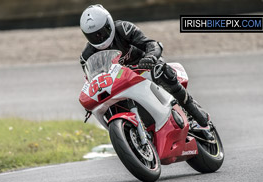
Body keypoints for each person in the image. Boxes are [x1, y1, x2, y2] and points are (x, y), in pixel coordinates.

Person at [79, 4, 209, 128]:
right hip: (119, 82)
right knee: (107, 105)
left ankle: (192, 109)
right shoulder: (86, 56)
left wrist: (150, 57)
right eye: (93, 36)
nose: (99, 38)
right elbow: (92, 80)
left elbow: (151, 44)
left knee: (163, 73)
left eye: (102, 32)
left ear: (109, 24)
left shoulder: (123, 28)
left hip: (143, 67)